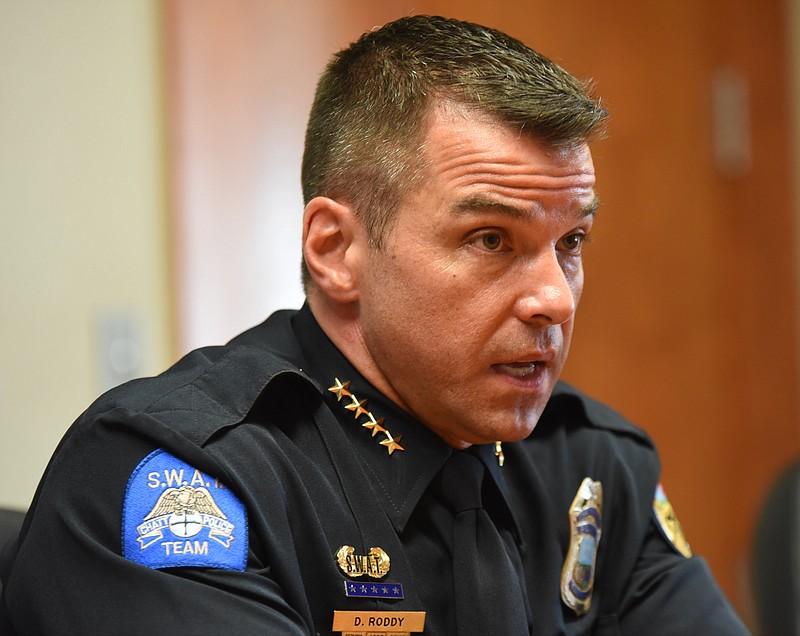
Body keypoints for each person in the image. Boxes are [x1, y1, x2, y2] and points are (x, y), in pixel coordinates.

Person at [0, 14, 749, 636]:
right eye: (491, 240)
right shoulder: (187, 477)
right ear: (336, 251)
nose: (555, 297)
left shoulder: (588, 466)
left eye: (571, 243)